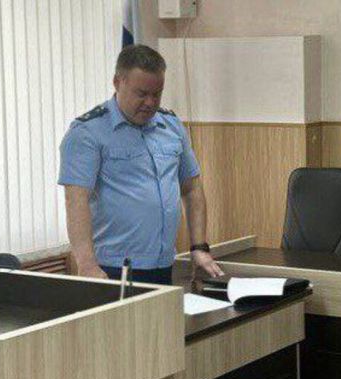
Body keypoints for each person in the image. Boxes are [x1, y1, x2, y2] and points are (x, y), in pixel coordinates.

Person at [58, 44, 223, 285]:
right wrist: (87, 265)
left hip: (164, 264)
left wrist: (199, 247)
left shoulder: (171, 125)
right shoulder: (87, 132)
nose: (150, 102)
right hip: (112, 268)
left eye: (157, 94)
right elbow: (75, 201)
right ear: (117, 82)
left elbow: (191, 188)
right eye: (141, 93)